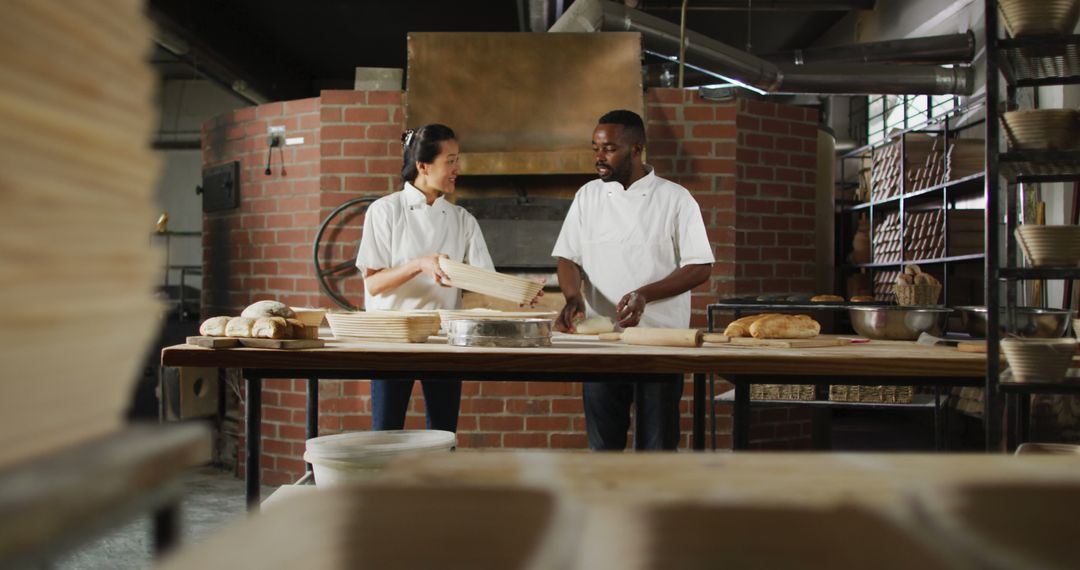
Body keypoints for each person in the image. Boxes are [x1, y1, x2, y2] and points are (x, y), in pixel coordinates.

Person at [551, 109, 714, 450]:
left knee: (657, 450)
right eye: (595, 148)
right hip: (602, 342)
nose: (599, 157)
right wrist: (572, 297)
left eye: (608, 148)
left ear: (636, 149)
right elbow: (568, 257)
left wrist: (644, 295)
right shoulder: (588, 196)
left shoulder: (675, 199)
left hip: (660, 342)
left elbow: (700, 266)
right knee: (603, 449)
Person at [355, 124, 493, 432]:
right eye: (451, 161)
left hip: (444, 338)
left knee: (444, 434)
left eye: (458, 160)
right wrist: (419, 264)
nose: (458, 169)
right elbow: (374, 284)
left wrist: (522, 292)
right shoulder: (385, 211)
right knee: (386, 434)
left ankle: (440, 482)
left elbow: (485, 283)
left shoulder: (462, 220)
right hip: (391, 339)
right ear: (423, 166)